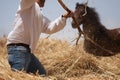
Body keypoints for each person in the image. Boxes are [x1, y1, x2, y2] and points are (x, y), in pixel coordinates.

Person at [6, 0, 73, 76]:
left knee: (41, 74)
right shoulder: (26, 5)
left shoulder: (39, 16)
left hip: (28, 51)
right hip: (18, 49)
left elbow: (50, 27)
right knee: (17, 76)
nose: (44, 0)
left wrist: (64, 17)